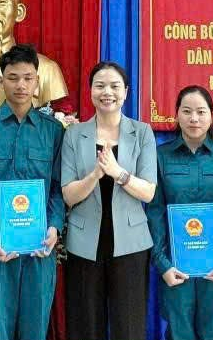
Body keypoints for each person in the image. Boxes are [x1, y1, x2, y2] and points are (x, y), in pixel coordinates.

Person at [0, 44, 65, 340]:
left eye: (28, 78)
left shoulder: (53, 131)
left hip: (39, 248)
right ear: (1, 80)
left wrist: (54, 226)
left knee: (35, 327)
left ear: (37, 81)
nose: (21, 85)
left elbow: (59, 188)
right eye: (13, 77)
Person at [59, 61, 158, 340]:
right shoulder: (74, 134)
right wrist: (95, 175)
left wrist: (117, 173)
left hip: (131, 243)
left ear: (125, 92)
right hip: (84, 243)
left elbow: (148, 192)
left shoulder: (142, 132)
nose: (107, 92)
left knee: (129, 326)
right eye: (100, 85)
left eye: (115, 86)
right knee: (85, 325)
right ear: (90, 91)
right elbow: (68, 195)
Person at [146, 86, 213, 340]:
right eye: (187, 111)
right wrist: (163, 263)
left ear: (212, 115)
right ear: (177, 115)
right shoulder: (160, 157)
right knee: (178, 333)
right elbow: (154, 213)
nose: (194, 118)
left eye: (201, 112)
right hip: (175, 267)